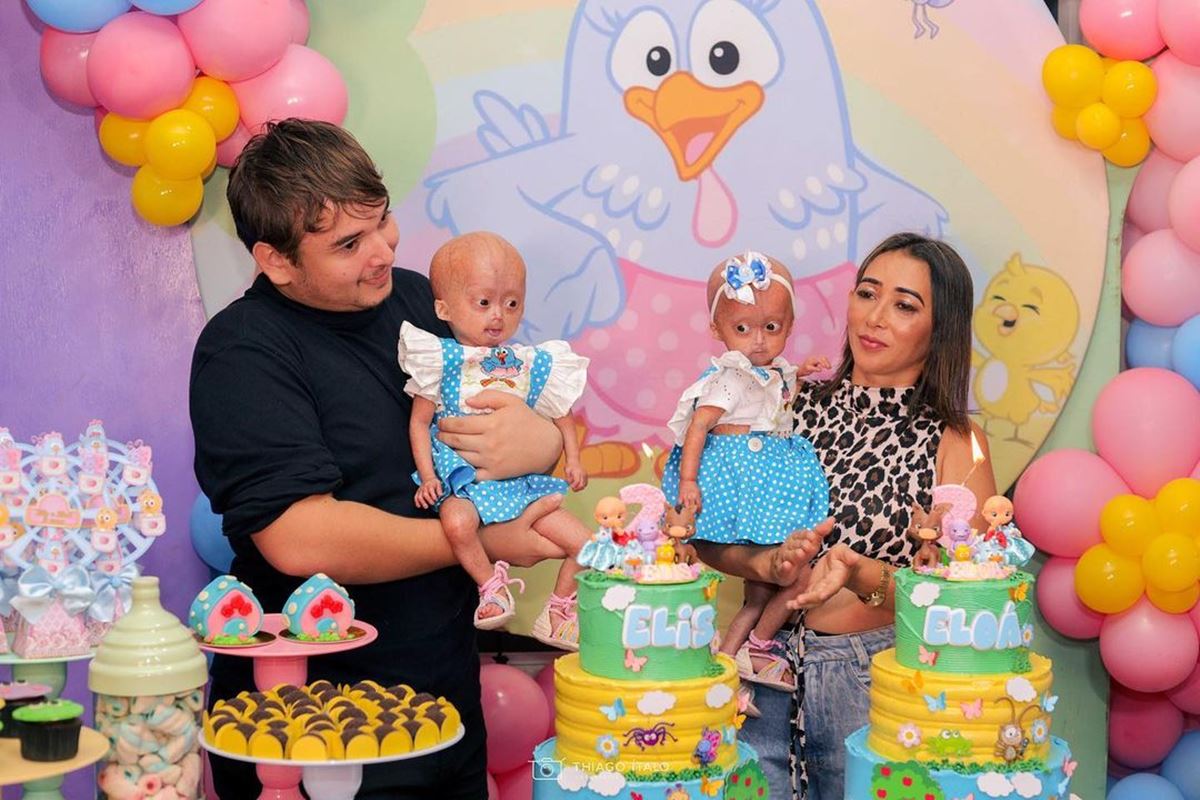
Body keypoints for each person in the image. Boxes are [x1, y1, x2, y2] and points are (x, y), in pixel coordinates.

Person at [189, 119, 567, 798]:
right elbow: (301, 536)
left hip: (444, 698)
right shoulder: (243, 353)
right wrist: (475, 542)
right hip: (313, 722)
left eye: (382, 221)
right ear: (276, 260)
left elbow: (517, 405)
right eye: (347, 244)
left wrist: (538, 440)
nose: (381, 252)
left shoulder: (425, 302)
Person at [696, 233, 998, 800]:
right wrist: (766, 562)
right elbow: (702, 538)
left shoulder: (956, 441)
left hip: (869, 680)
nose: (876, 317)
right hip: (758, 666)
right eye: (867, 293)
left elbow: (965, 608)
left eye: (905, 305)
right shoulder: (786, 405)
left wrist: (860, 573)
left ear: (942, 327)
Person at [399, 231, 592, 647]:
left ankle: (558, 611)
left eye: (512, 303)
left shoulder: (529, 362)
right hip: (464, 483)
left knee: (587, 545)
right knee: (456, 521)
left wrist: (572, 457)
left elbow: (562, 413)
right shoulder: (441, 359)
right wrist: (429, 476)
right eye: (483, 302)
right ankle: (490, 586)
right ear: (443, 307)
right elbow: (419, 425)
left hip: (518, 487)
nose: (498, 316)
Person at [660, 251, 830, 692]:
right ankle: (755, 647)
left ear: (789, 325)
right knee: (781, 577)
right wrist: (689, 480)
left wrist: (804, 372)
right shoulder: (729, 377)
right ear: (717, 329)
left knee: (762, 592)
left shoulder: (772, 372)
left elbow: (780, 393)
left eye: (771, 327)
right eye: (742, 328)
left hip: (769, 477)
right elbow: (698, 426)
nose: (758, 340)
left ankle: (735, 662)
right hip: (738, 476)